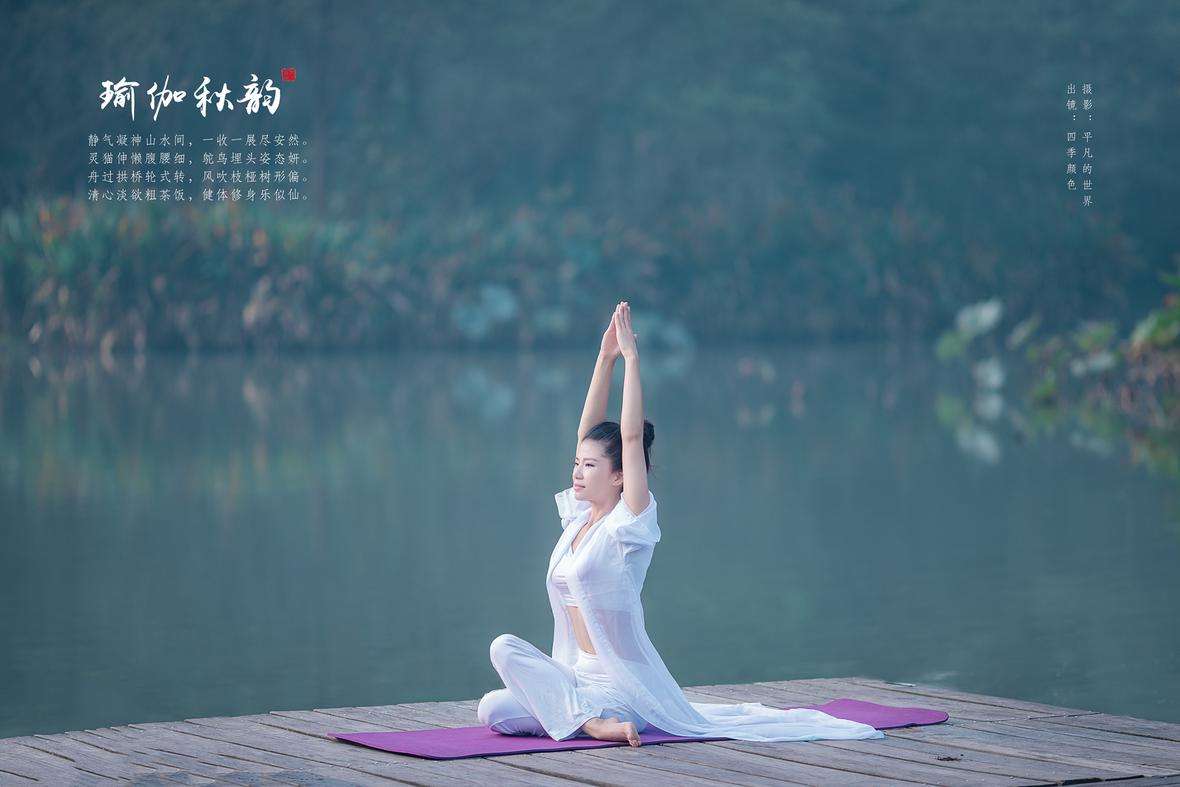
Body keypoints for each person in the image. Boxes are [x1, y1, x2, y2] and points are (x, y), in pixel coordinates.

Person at [477, 302, 885, 747]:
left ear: (619, 476)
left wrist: (632, 359)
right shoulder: (578, 521)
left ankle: (594, 723)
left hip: (623, 691)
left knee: (505, 662)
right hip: (574, 680)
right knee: (493, 701)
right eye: (577, 464)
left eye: (589, 466)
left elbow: (630, 437)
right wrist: (604, 357)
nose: (577, 471)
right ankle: (581, 718)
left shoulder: (625, 529)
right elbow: (586, 433)